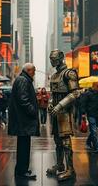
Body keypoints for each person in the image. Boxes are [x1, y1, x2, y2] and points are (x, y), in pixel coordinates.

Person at [46, 49, 79, 182]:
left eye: (53, 58)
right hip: (55, 113)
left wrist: (59, 105)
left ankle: (70, 169)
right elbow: (53, 94)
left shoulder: (68, 73)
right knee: (57, 141)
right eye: (50, 58)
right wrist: (50, 103)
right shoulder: (54, 76)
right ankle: (60, 164)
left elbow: (75, 93)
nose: (51, 61)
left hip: (64, 112)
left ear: (60, 58)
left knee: (65, 141)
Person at [8, 63, 40, 180]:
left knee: (23, 146)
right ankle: (22, 172)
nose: (35, 73)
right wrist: (33, 111)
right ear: (28, 70)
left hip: (22, 121)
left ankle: (21, 170)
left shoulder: (23, 79)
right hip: (23, 121)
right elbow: (23, 100)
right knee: (23, 147)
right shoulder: (23, 80)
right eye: (34, 71)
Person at [80, 83, 98, 152]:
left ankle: (88, 142)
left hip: (96, 114)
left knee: (94, 130)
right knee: (94, 130)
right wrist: (83, 113)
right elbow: (83, 104)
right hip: (91, 115)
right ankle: (96, 147)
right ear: (93, 86)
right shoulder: (87, 94)